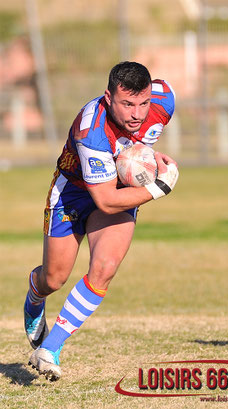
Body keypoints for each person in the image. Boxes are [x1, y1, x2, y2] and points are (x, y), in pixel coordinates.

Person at [24, 61, 179, 381]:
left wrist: (145, 160)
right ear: (108, 98)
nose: (137, 114)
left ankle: (50, 348)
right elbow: (105, 200)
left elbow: (134, 147)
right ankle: (34, 298)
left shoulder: (164, 100)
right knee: (54, 278)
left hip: (121, 190)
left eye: (143, 103)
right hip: (74, 193)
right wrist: (159, 186)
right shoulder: (91, 130)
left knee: (105, 266)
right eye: (127, 104)